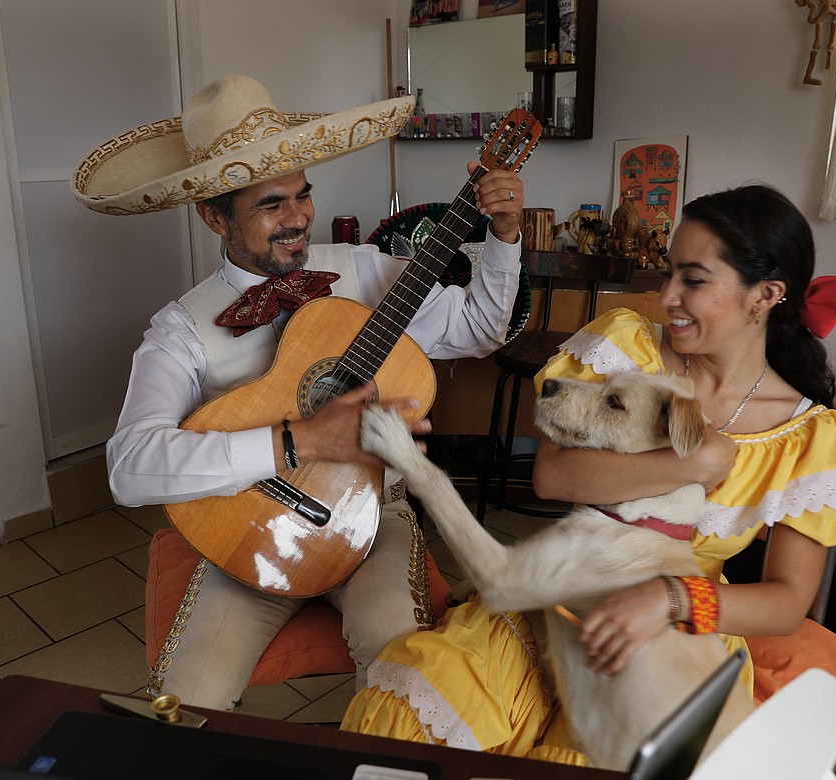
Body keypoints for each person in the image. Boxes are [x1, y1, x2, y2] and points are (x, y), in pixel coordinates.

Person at [341, 184, 836, 766]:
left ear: (766, 295)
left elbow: (786, 603)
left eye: (694, 279)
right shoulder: (629, 349)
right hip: (557, 593)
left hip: (672, 635)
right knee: (410, 726)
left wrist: (669, 598)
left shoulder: (812, 439)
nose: (668, 295)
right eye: (670, 272)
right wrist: (689, 465)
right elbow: (553, 477)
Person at [71, 75, 525, 711]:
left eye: (303, 196)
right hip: (251, 522)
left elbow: (479, 328)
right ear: (213, 214)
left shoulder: (364, 271)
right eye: (270, 205)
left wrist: (503, 237)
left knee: (397, 652)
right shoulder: (181, 329)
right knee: (190, 692)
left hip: (371, 518)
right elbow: (129, 468)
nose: (298, 218)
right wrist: (296, 439)